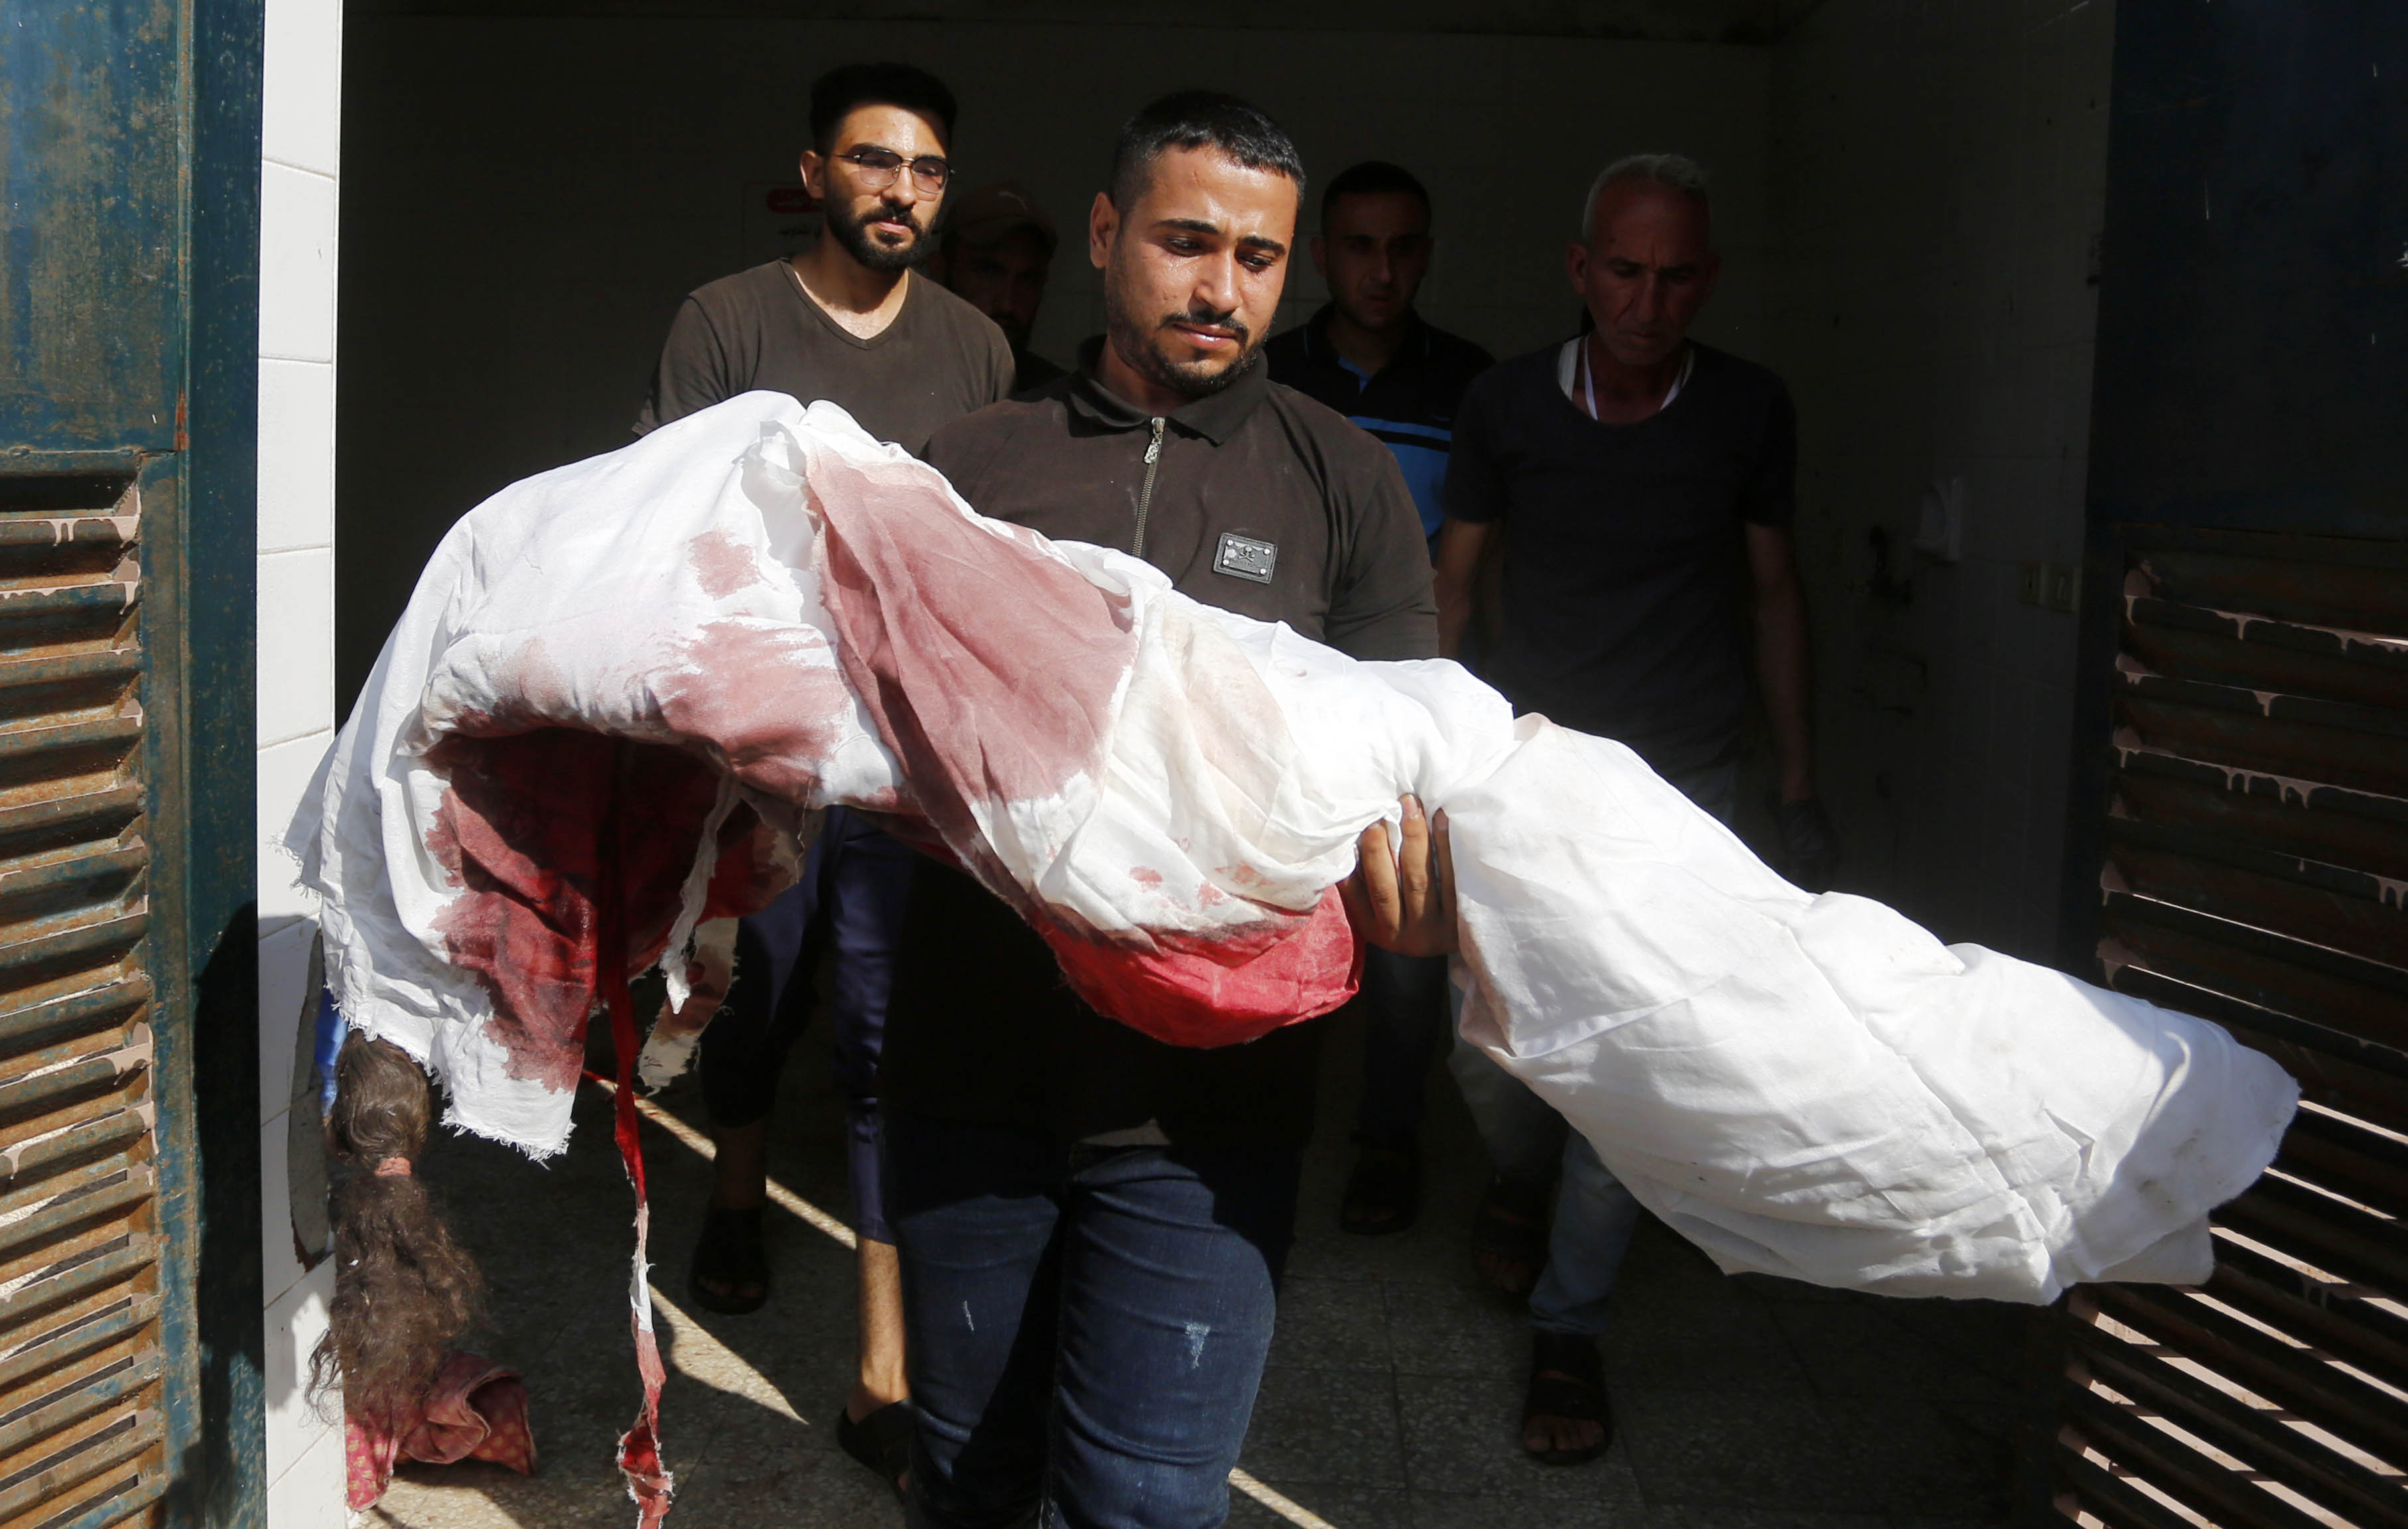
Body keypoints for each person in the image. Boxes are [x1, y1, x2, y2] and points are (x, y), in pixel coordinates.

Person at [879, 92, 1449, 1529]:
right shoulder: (965, 471)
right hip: (972, 1073)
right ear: (1105, 232)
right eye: (1189, 243)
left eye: (1259, 259)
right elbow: (880, 747)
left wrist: (1416, 894)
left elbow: (1405, 754)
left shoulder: (1344, 481)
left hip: (1212, 1115)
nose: (1223, 288)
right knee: (965, 1479)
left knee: (1146, 1503)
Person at [634, 59, 1012, 1498]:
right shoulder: (727, 321)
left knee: (883, 1038)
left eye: (923, 168)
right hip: (759, 744)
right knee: (759, 996)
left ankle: (882, 1364)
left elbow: (976, 551)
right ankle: (736, 1194)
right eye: (873, 163)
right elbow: (669, 526)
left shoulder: (978, 347)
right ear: (815, 172)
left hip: (906, 748)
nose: (899, 190)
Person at [1433, 152, 1839, 1469]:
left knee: (1636, 1064)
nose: (1648, 302)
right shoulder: (1504, 405)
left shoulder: (1748, 410)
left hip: (1690, 789)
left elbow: (1774, 595)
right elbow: (1454, 586)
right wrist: (1421, 756)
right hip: (1530, 779)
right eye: (1625, 270)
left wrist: (1794, 779)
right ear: (1580, 268)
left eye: (1675, 278)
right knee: (1483, 1047)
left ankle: (1572, 1325)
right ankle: (1520, 1171)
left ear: (1705, 281)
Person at [1266, 160, 1491, 1238]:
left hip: (1413, 707)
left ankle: (1387, 1145)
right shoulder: (1267, 374)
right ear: (1323, 254)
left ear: (1428, 254)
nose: (1382, 270)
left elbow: (1484, 562)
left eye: (1403, 247)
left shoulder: (1470, 386)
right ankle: (1249, 1135)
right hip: (1287, 701)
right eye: (1360, 246)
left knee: (1407, 948)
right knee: (1274, 920)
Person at [929, 179, 1067, 391]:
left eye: (1029, 279)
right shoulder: (900, 374)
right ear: (939, 270)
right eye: (988, 271)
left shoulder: (1056, 402)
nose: (1007, 303)